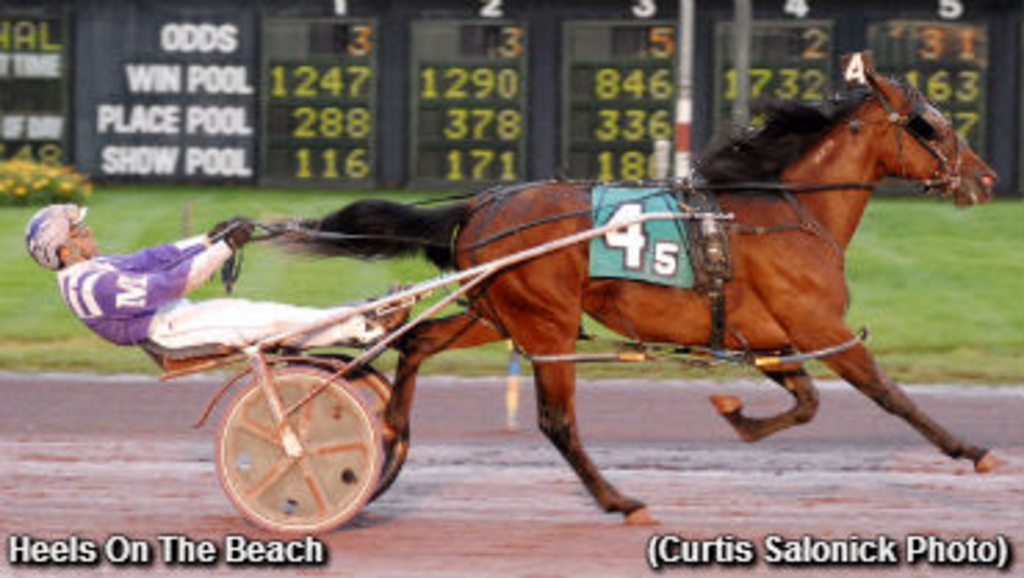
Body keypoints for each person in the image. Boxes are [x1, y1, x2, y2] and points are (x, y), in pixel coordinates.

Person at [25, 204, 408, 353]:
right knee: (269, 319)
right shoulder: (89, 286)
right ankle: (364, 327)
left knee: (269, 316)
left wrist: (211, 237)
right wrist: (224, 249)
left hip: (176, 317)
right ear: (64, 251)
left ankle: (359, 319)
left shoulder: (91, 268)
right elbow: (170, 283)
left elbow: (153, 259)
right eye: (79, 231)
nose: (88, 231)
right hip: (169, 330)